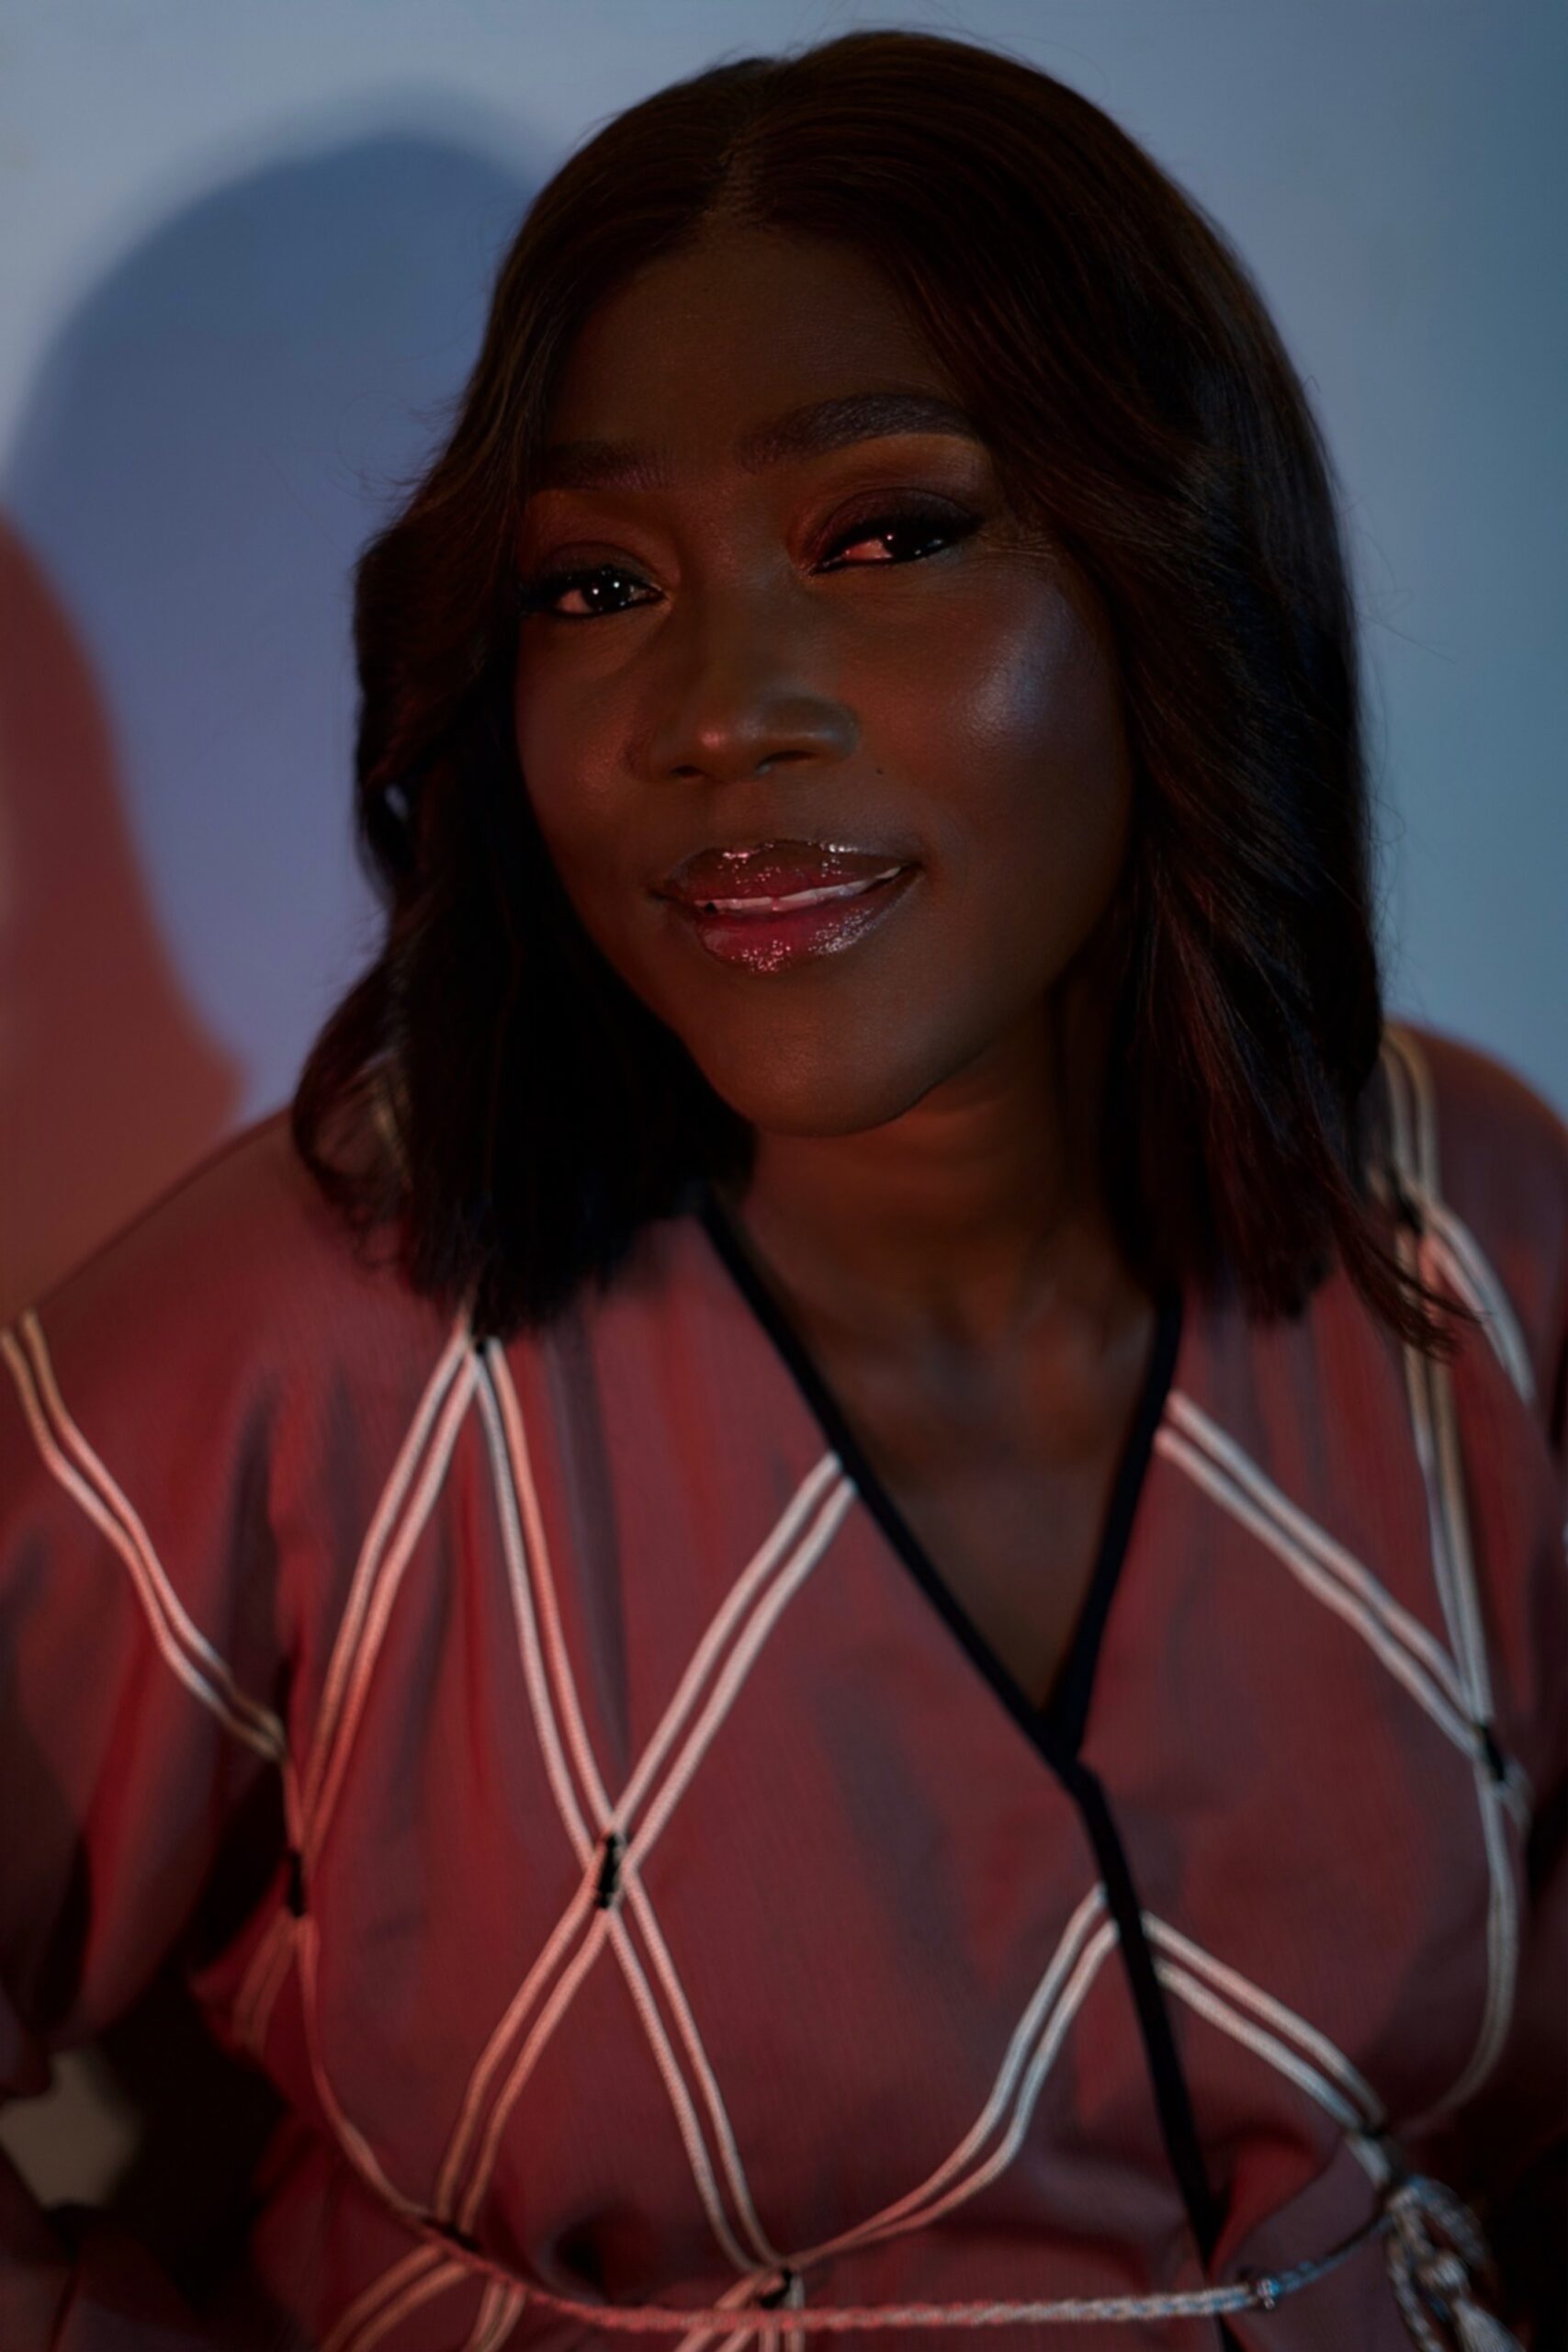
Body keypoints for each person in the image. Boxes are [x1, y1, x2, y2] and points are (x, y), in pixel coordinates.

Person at [1, 26, 1562, 2350]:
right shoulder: (305, 1329)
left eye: (886, 535)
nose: (722, 706)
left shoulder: (1466, 1226)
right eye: (590, 586)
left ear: (1173, 570)